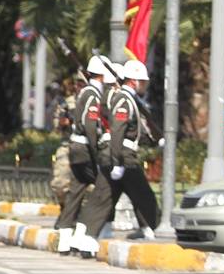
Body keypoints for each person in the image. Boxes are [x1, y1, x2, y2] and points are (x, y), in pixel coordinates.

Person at [60, 56, 119, 259]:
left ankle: (65, 239)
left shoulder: (84, 92)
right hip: (85, 148)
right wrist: (97, 152)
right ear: (102, 76)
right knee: (104, 188)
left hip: (76, 147)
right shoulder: (93, 95)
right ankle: (87, 234)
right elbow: (90, 126)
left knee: (76, 191)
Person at [108, 59, 162, 236]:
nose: (145, 85)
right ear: (133, 81)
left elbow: (136, 128)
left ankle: (92, 233)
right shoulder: (124, 99)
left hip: (125, 154)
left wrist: (156, 140)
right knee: (144, 195)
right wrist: (117, 161)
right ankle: (154, 227)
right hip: (125, 156)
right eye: (143, 81)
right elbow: (118, 131)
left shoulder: (130, 99)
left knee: (108, 197)